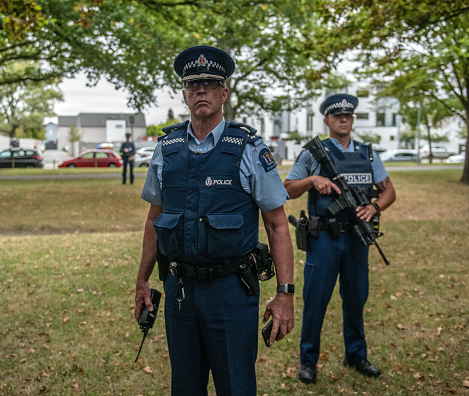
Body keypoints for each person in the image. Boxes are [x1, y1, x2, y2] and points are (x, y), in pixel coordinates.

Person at [134, 45, 295, 395]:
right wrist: (142, 281)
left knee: (236, 386)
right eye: (193, 84)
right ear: (184, 94)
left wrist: (285, 294)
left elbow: (277, 224)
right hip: (180, 291)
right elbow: (154, 219)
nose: (201, 90)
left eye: (210, 83)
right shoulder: (167, 148)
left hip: (231, 291)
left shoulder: (249, 149)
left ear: (224, 93)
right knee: (186, 387)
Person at [284, 94, 396, 383]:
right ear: (327, 120)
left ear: (353, 119)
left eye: (348, 115)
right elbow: (288, 188)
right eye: (337, 116)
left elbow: (388, 191)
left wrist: (374, 207)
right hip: (324, 239)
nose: (343, 119)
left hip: (357, 239)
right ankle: (308, 362)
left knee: (356, 298)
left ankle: (356, 356)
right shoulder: (313, 153)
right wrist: (312, 180)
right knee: (316, 300)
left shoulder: (368, 154)